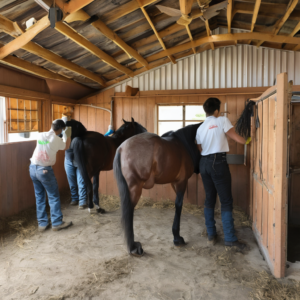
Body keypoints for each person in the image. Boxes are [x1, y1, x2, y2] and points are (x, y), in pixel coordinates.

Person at [196, 98, 251, 250]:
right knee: (226, 201)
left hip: (204, 163)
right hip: (218, 162)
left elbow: (200, 148)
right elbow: (234, 137)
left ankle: (211, 235)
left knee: (209, 199)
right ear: (216, 110)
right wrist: (248, 140)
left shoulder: (200, 128)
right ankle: (230, 239)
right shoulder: (222, 120)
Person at [29, 119, 73, 232]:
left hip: (33, 168)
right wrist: (66, 136)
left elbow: (46, 143)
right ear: (60, 129)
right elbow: (64, 147)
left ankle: (42, 224)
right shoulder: (56, 140)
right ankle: (57, 222)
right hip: (45, 170)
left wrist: (60, 134)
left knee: (39, 196)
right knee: (53, 196)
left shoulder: (40, 135)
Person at [61, 115, 87, 209]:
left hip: (74, 158)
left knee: (77, 181)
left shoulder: (72, 129)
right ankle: (79, 200)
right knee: (79, 180)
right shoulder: (75, 127)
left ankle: (79, 200)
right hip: (72, 158)